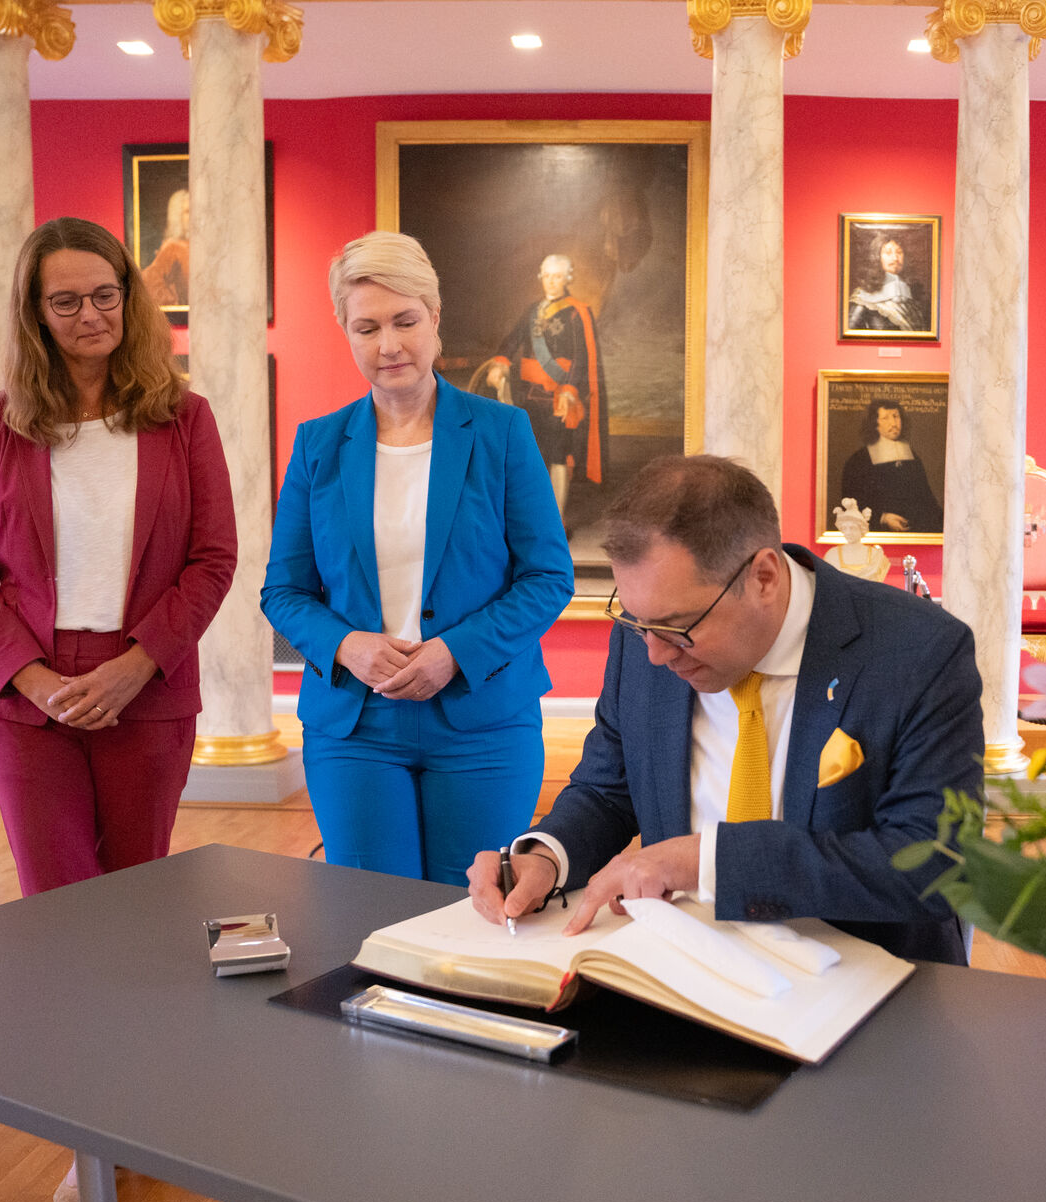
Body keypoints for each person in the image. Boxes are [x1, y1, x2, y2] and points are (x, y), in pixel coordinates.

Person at [0, 214, 236, 1202]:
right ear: (33, 310)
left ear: (130, 296)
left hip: (145, 681)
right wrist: (25, 675)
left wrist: (136, 662)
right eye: (65, 301)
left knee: (139, 912)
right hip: (33, 698)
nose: (89, 316)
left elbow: (212, 559)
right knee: (64, 923)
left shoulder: (180, 418)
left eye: (105, 294)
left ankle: (142, 1111)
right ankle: (89, 1142)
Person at [465, 455, 982, 966]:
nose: (656, 654)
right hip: (686, 972)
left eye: (678, 628)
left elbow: (934, 866)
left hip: (865, 983)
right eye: (637, 622)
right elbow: (607, 790)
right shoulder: (648, 638)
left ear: (763, 577)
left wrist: (706, 862)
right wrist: (545, 856)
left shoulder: (919, 652)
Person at [263, 230, 574, 889]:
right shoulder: (318, 445)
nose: (389, 345)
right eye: (366, 326)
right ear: (345, 331)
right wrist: (347, 645)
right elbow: (283, 591)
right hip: (355, 724)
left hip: (481, 718)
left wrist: (452, 651)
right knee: (369, 917)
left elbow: (548, 577)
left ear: (435, 316)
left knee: (468, 914)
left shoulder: (502, 433)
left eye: (405, 321)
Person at [480, 253, 608, 520]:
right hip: (528, 398)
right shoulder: (531, 311)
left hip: (559, 398)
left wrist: (571, 391)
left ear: (567, 279)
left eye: (557, 276)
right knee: (529, 456)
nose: (552, 282)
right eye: (547, 276)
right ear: (541, 278)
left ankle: (556, 521)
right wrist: (501, 363)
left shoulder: (577, 312)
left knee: (558, 457)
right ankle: (531, 517)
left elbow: (582, 358)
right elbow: (510, 342)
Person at [839, 398, 942, 534]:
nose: (893, 423)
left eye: (896, 416)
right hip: (879, 531)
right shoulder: (859, 460)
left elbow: (926, 499)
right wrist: (882, 518)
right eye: (885, 418)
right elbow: (851, 501)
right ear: (874, 423)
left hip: (915, 530)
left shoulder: (912, 456)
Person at [846, 236, 926, 333]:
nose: (895, 258)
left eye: (899, 252)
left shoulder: (912, 300)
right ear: (876, 257)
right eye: (888, 253)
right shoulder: (863, 298)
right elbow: (850, 336)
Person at [823, 497, 890, 582]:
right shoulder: (832, 555)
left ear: (861, 529)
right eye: (844, 528)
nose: (848, 532)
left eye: (852, 528)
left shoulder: (876, 556)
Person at [143, 187, 188, 308]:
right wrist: (173, 302)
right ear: (177, 216)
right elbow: (149, 280)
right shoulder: (173, 247)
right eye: (187, 212)